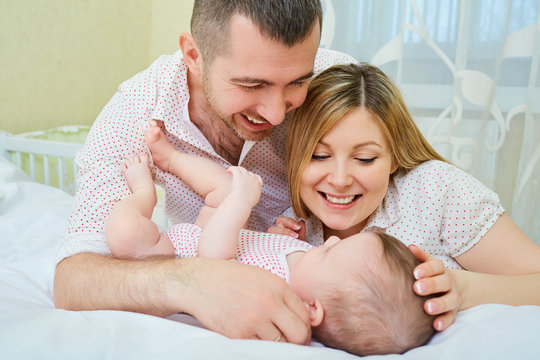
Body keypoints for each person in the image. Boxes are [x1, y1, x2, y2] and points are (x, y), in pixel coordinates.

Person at [54, 0, 365, 344]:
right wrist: (196, 282)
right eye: (252, 85)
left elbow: (409, 179)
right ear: (193, 55)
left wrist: (429, 279)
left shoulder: (338, 81)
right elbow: (74, 280)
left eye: (296, 83)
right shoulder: (136, 113)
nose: (277, 114)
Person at [105, 124, 434, 355]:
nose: (329, 243)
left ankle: (143, 192)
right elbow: (263, 249)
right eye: (340, 243)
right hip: (206, 228)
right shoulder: (308, 268)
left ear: (310, 308)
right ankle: (171, 159)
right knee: (222, 185)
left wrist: (241, 202)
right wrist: (282, 238)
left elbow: (212, 259)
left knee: (124, 234)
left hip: (171, 255)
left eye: (328, 255)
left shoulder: (275, 292)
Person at [269, 62, 540, 333]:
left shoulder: (437, 192)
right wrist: (279, 253)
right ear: (295, 156)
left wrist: (463, 289)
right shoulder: (297, 225)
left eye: (365, 159)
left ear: (394, 159)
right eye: (319, 156)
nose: (340, 180)